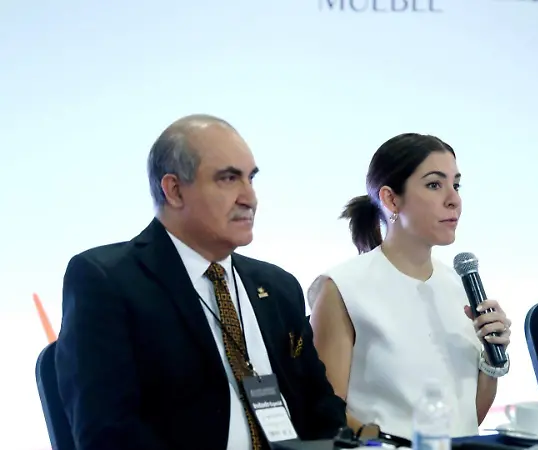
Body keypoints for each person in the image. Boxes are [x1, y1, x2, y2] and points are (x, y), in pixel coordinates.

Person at [55, 115, 346, 450]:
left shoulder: (278, 287)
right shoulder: (108, 281)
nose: (249, 198)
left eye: (251, 178)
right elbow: (108, 434)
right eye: (229, 179)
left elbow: (321, 408)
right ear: (175, 190)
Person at [306, 133, 512, 439]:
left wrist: (492, 359)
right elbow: (327, 413)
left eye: (456, 185)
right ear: (391, 199)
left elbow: (469, 418)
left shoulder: (458, 286)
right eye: (434, 185)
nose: (453, 199)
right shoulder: (343, 288)